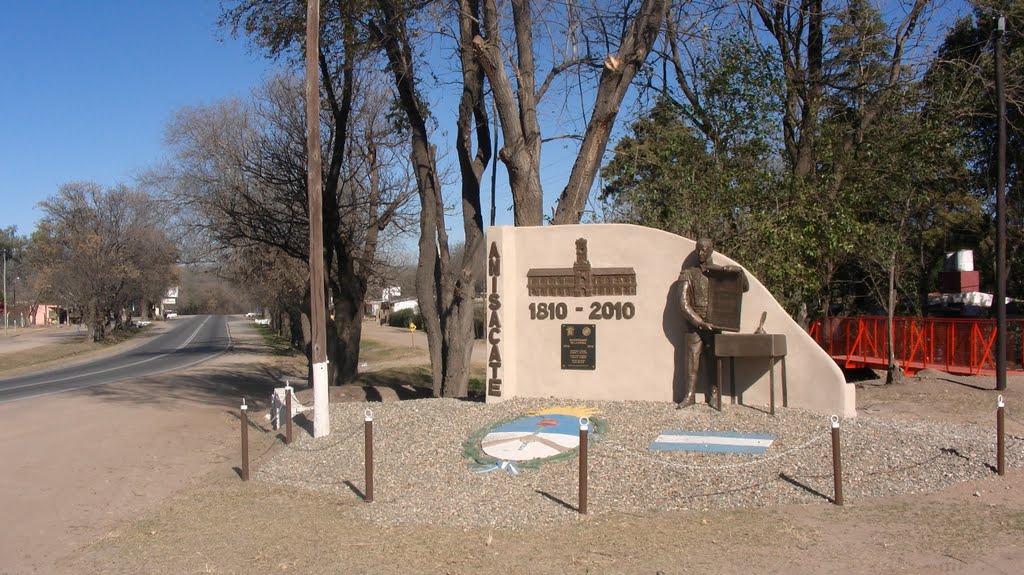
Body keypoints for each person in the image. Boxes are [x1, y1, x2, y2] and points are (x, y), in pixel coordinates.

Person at [677, 238, 747, 409]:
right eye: (698, 250)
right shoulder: (688, 274)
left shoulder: (720, 272)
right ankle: (690, 395)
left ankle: (714, 395)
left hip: (716, 323)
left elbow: (743, 287)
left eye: (704, 250)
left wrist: (739, 273)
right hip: (695, 325)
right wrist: (699, 322)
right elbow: (682, 303)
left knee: (714, 359)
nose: (700, 253)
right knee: (691, 360)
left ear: (711, 251)